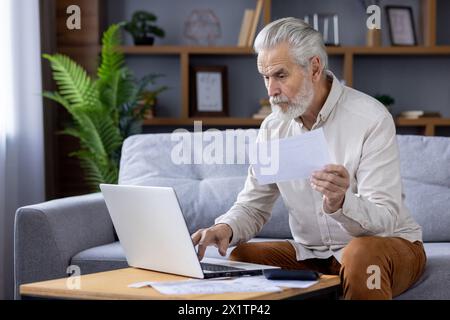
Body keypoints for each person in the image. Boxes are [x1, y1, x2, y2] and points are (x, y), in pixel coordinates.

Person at [190, 17, 426, 300]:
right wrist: (224, 227)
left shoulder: (371, 119)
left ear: (314, 67)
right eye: (265, 77)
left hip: (386, 245)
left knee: (361, 254)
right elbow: (253, 206)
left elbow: (386, 219)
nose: (271, 91)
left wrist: (341, 203)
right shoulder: (273, 128)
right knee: (243, 255)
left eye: (280, 75)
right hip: (313, 253)